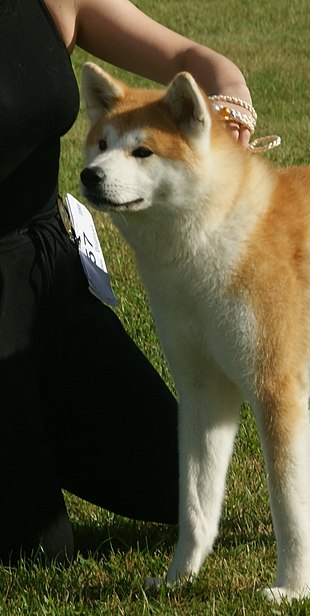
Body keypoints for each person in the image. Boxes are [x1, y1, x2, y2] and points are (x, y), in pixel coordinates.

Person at [0, 0, 255, 565]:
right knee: (36, 551)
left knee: (174, 480)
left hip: (49, 272)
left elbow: (190, 58)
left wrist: (230, 103)